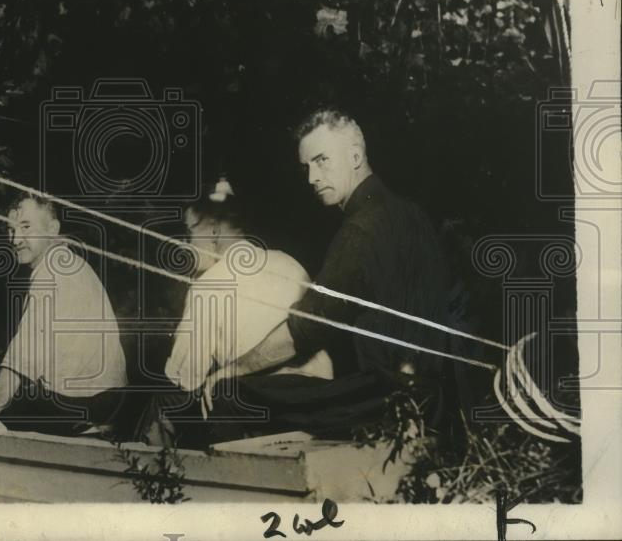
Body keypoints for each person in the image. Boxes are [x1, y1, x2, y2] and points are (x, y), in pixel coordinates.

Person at [142, 109, 463, 446]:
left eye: (322, 160)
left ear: (355, 155)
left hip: (385, 397)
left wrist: (233, 369)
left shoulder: (361, 230)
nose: (312, 177)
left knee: (228, 393)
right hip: (433, 394)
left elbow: (306, 326)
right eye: (306, 166)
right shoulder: (410, 214)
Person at [164, 178, 333, 393]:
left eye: (189, 234)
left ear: (214, 231)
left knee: (166, 403)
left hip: (272, 410)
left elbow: (185, 378)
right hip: (327, 398)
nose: (186, 246)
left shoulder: (207, 287)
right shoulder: (289, 262)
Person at [0, 195, 128, 434]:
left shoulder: (50, 274)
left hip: (80, 402)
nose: (15, 239)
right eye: (11, 229)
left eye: (26, 227)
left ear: (52, 229)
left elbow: (22, 358)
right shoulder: (70, 262)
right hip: (110, 398)